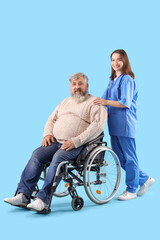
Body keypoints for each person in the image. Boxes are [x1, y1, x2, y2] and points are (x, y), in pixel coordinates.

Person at [4, 72, 107, 212]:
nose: (77, 87)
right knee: (37, 154)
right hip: (56, 142)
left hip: (80, 145)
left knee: (59, 157)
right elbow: (51, 119)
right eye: (74, 84)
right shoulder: (64, 102)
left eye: (80, 84)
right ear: (70, 86)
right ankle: (24, 195)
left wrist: (76, 141)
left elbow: (98, 126)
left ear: (87, 85)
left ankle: (42, 200)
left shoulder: (95, 103)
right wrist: (47, 134)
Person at [93, 49, 155, 200]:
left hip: (125, 124)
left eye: (119, 59)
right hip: (113, 125)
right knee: (120, 158)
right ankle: (145, 179)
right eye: (113, 60)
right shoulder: (111, 81)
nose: (115, 63)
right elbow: (101, 100)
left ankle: (132, 189)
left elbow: (125, 102)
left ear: (125, 61)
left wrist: (106, 102)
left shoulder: (127, 80)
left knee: (130, 157)